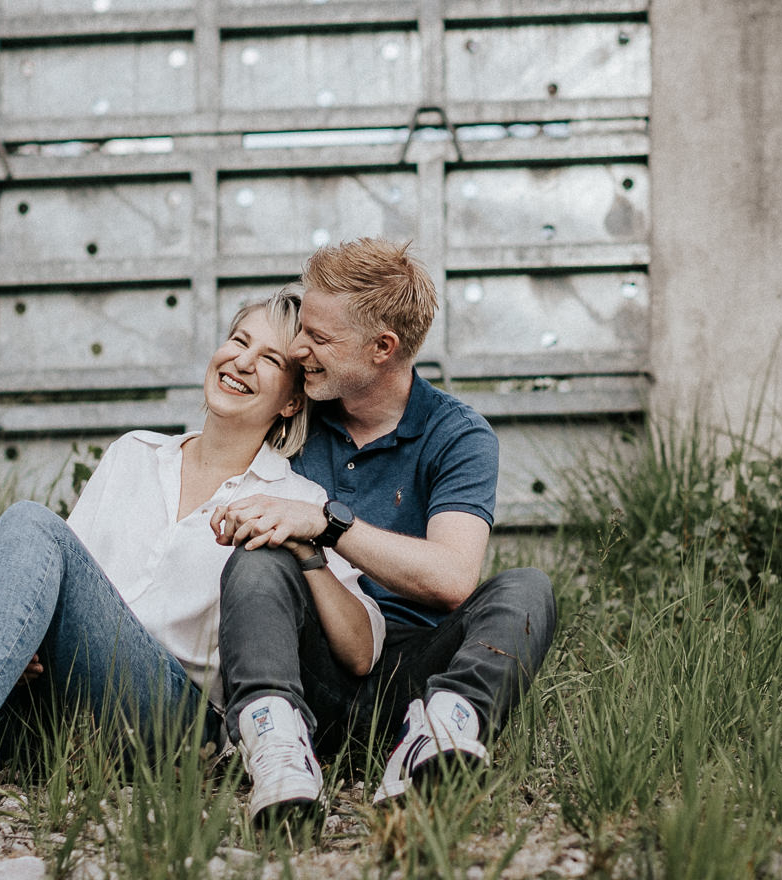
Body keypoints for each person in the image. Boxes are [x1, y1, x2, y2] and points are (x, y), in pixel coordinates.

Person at [0, 289, 385, 816]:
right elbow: (57, 571)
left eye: (269, 359)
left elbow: (360, 648)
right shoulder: (134, 453)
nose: (242, 361)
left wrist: (310, 546)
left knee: (31, 521)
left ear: (292, 399)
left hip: (169, 720)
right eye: (238, 341)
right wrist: (19, 638)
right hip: (52, 704)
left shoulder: (294, 497)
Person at [211, 238, 557, 817]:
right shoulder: (295, 413)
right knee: (259, 559)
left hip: (417, 677)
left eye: (319, 338)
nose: (299, 348)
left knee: (528, 590)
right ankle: (276, 745)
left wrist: (326, 525)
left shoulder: (457, 436)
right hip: (311, 665)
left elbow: (451, 578)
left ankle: (440, 739)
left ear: (382, 348)